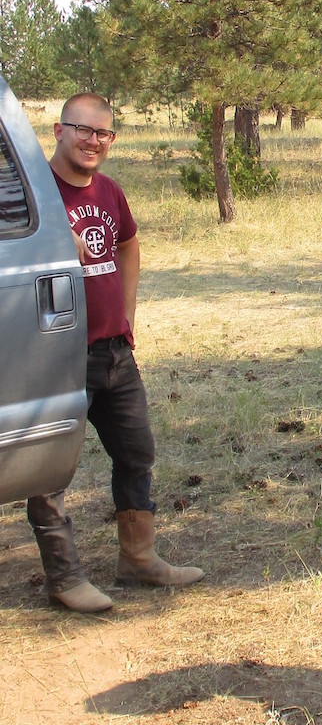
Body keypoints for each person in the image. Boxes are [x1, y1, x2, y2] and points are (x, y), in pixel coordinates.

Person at [27, 93, 204, 613]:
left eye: (103, 133)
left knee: (136, 451)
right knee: (51, 469)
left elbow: (127, 243)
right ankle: (64, 577)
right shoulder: (32, 193)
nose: (93, 141)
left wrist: (127, 318)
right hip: (55, 357)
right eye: (83, 130)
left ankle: (139, 558)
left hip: (113, 352)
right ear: (58, 130)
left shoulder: (109, 191)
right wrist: (52, 243)